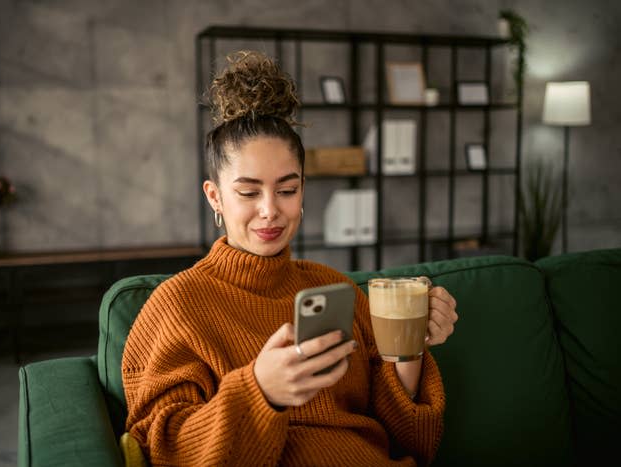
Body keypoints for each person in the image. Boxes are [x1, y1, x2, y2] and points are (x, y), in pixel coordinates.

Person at [122, 50, 458, 466]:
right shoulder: (176, 307)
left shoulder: (337, 290)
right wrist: (261, 391)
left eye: (287, 190)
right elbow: (165, 449)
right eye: (248, 192)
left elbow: (411, 442)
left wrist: (410, 346)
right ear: (215, 197)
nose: (270, 210)